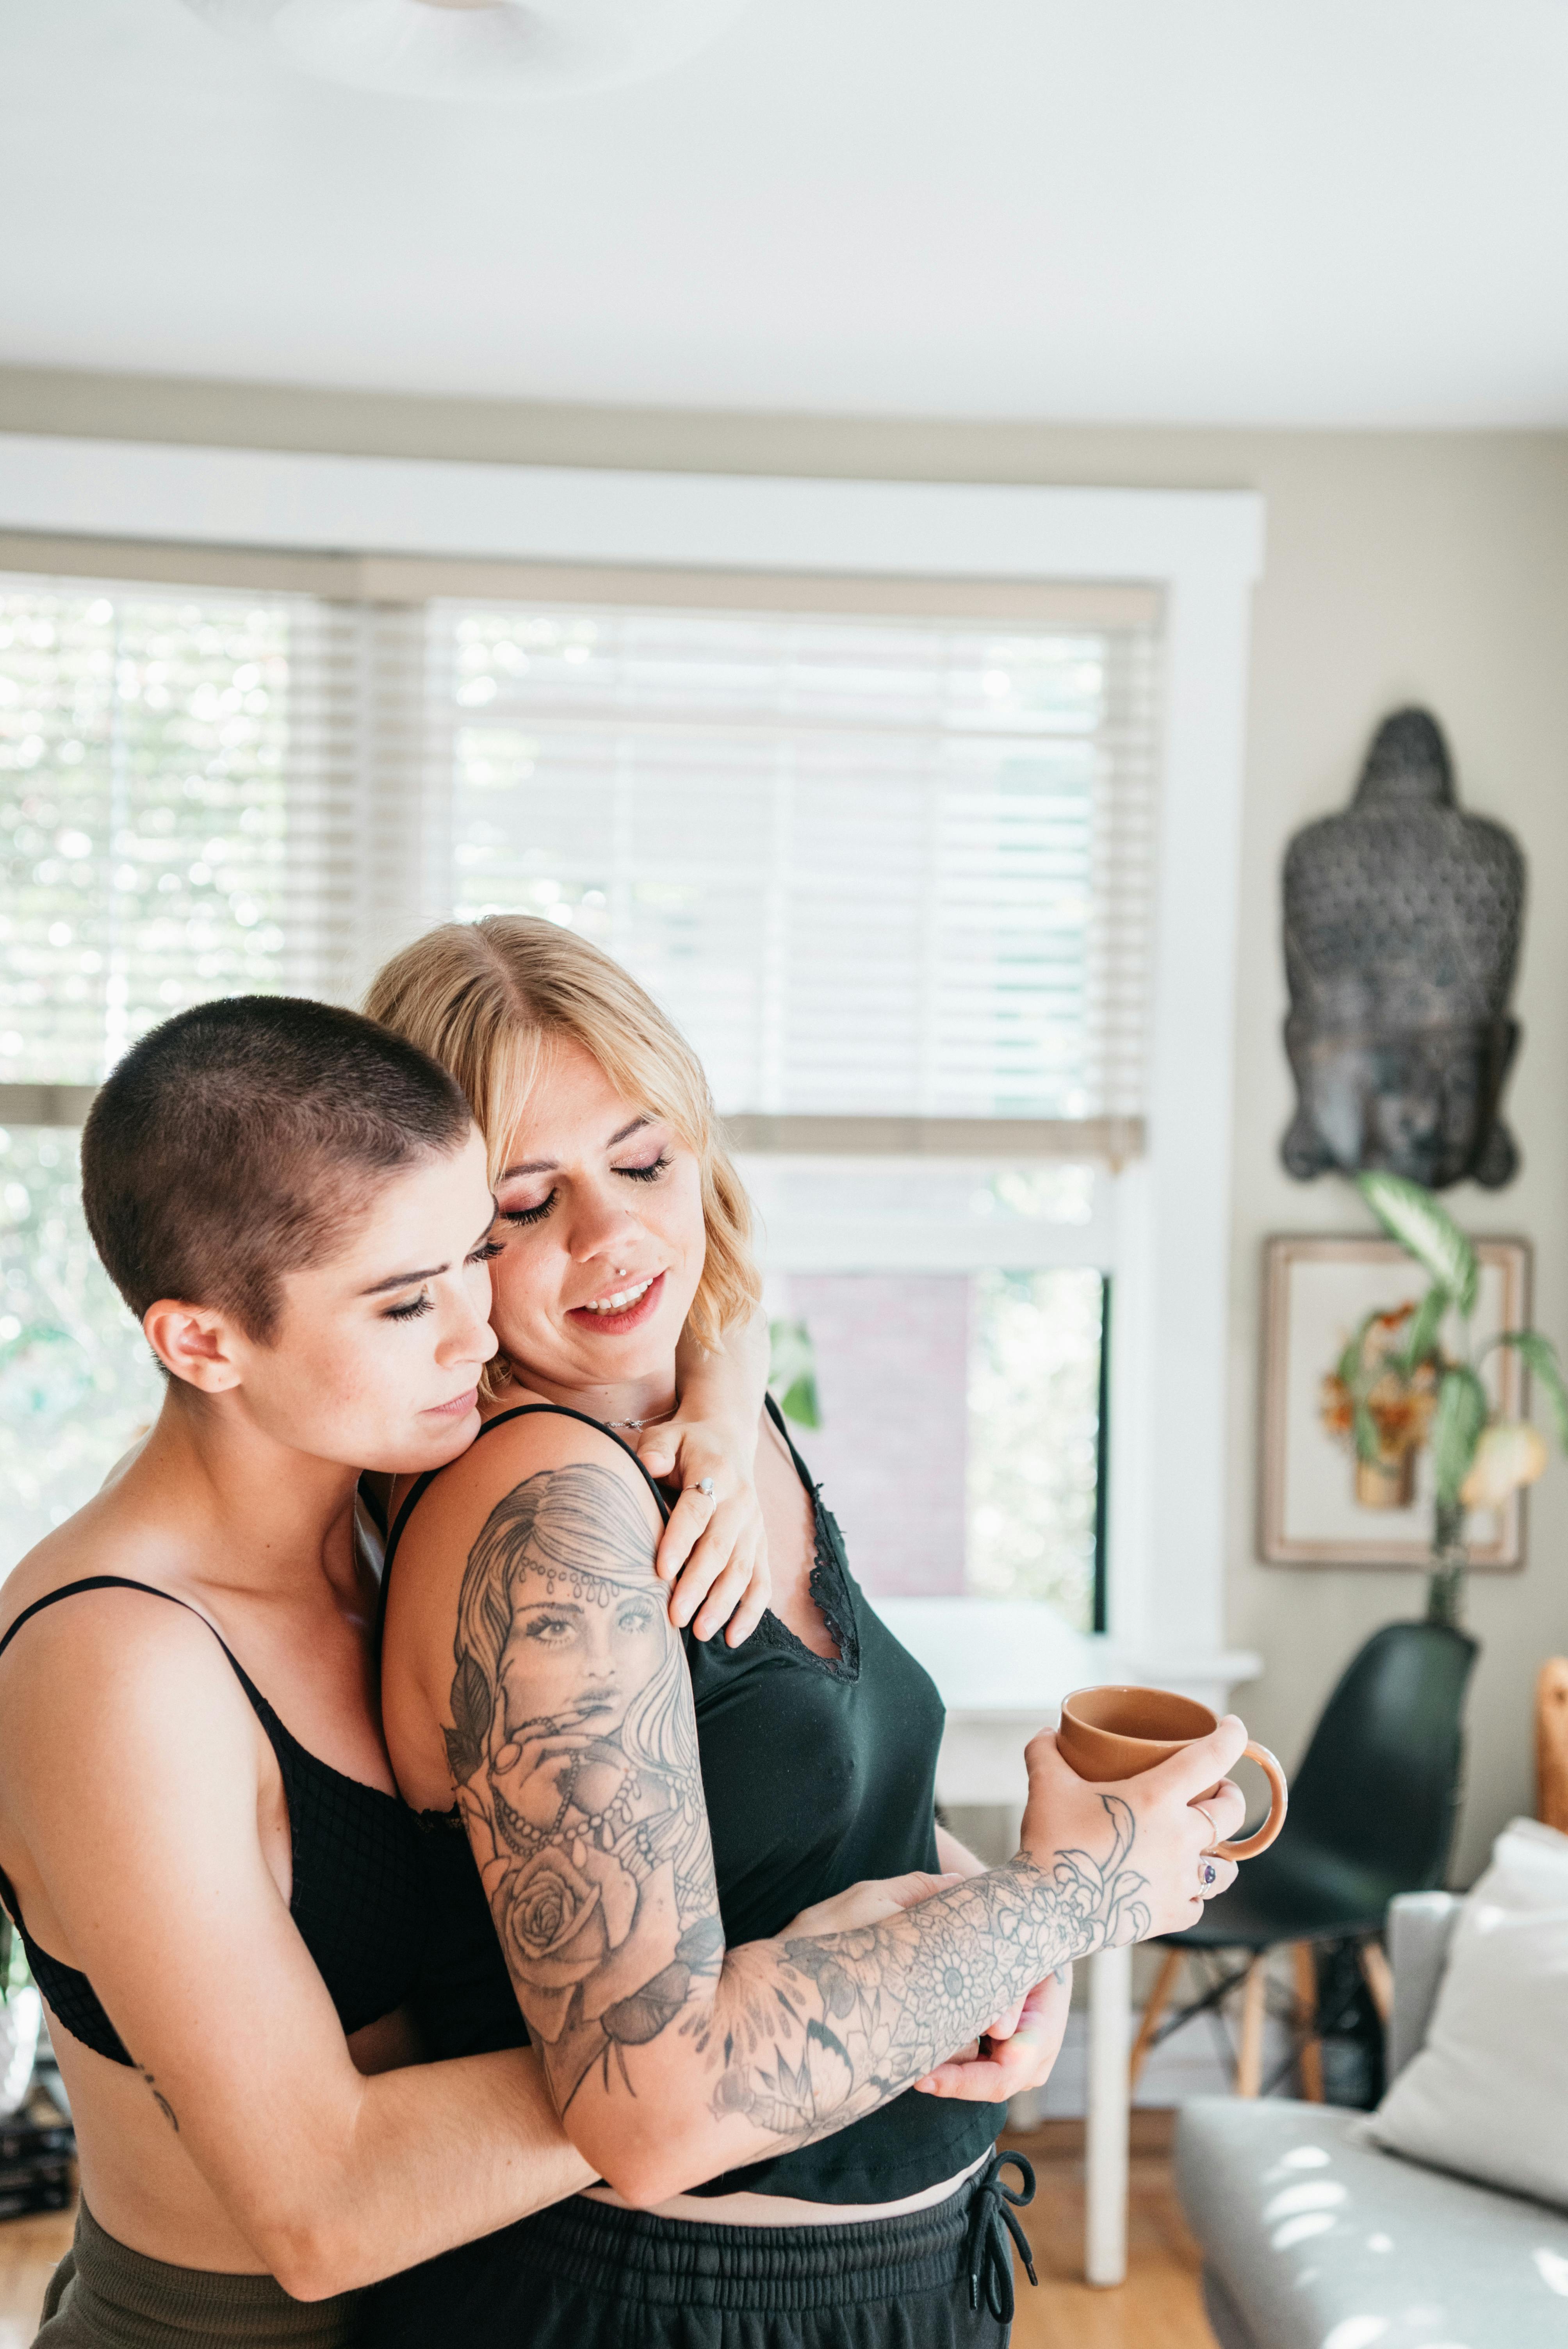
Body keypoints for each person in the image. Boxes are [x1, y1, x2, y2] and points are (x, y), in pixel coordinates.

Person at [364, 916, 1249, 2349]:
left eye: (646, 1162)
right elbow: (647, 2113)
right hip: (661, 2308)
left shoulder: (703, 1415)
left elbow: (824, 1842)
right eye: (526, 1206)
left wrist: (990, 1955)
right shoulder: (543, 1514)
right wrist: (1078, 1898)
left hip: (912, 2278)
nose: (613, 1235)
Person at [0, 992, 853, 2349]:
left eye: (474, 1252)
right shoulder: (120, 1665)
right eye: (405, 1303)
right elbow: (323, 2209)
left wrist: (719, 1398)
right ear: (202, 1342)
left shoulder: (389, 1486)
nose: (475, 1332)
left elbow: (687, 1290)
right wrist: (766, 2020)